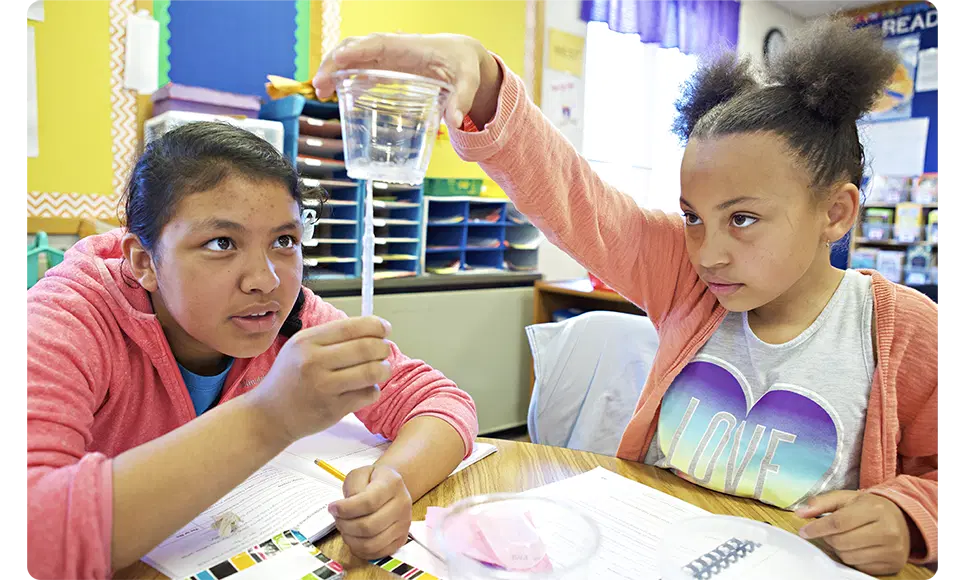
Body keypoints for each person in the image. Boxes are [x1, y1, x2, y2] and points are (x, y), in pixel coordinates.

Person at [313, 18, 938, 576]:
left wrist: (906, 514)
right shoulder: (687, 277)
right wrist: (482, 85)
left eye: (743, 218)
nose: (709, 251)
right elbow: (576, 198)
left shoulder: (904, 329)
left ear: (836, 210)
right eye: (694, 217)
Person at [25, 122, 478, 579]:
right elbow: (35, 537)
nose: (264, 280)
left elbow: (439, 401)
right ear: (144, 261)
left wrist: (392, 483)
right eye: (221, 243)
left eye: (284, 241)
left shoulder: (292, 314)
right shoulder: (70, 317)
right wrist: (269, 417)